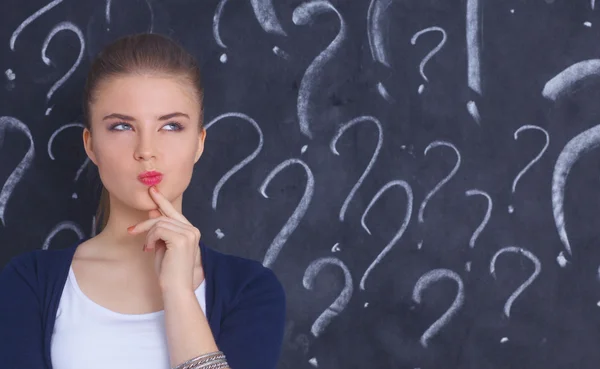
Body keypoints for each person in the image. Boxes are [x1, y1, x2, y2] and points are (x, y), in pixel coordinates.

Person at [0, 33, 286, 369]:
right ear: (91, 145)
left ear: (199, 142)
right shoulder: (29, 281)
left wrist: (179, 293)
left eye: (171, 126)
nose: (146, 150)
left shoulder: (250, 290)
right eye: (122, 126)